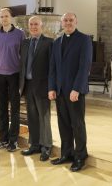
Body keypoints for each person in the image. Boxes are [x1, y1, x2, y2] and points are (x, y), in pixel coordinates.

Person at [48, 12, 92, 172]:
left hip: (75, 92)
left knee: (77, 124)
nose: (68, 23)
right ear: (61, 23)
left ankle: (80, 156)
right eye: (65, 20)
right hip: (59, 91)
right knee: (63, 124)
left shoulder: (84, 39)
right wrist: (51, 87)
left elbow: (84, 66)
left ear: (76, 21)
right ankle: (66, 153)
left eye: (71, 20)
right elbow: (52, 67)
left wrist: (77, 89)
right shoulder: (57, 41)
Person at [0, 7, 25, 152]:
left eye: (6, 16)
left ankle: (13, 140)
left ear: (11, 18)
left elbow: (23, 55)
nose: (4, 18)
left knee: (15, 109)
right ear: (0, 18)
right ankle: (2, 139)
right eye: (2, 16)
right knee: (2, 108)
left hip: (14, 74)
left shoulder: (20, 34)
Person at [19, 16, 53, 161]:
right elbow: (22, 65)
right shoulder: (25, 43)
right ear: (28, 26)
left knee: (44, 117)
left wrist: (52, 87)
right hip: (28, 85)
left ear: (41, 26)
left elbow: (52, 67)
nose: (33, 26)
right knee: (32, 117)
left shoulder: (49, 43)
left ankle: (46, 146)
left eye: (36, 24)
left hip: (43, 86)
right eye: (31, 24)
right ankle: (34, 145)